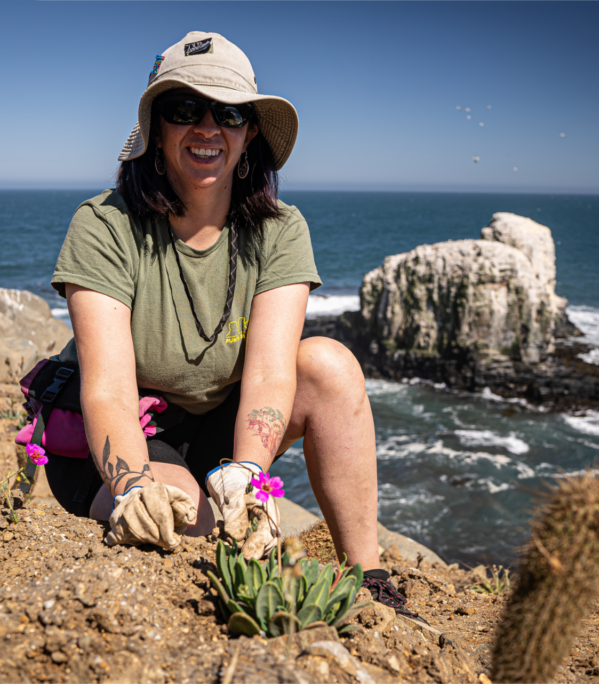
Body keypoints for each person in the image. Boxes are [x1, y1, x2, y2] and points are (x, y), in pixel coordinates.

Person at [47, 31, 414, 616]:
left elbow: (270, 374)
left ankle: (368, 576)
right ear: (158, 129)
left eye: (230, 113)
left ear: (250, 134)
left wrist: (248, 472)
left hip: (223, 420)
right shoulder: (105, 226)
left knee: (330, 365)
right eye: (185, 109)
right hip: (132, 428)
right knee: (191, 528)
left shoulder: (279, 229)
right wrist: (133, 485)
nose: (207, 128)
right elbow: (108, 387)